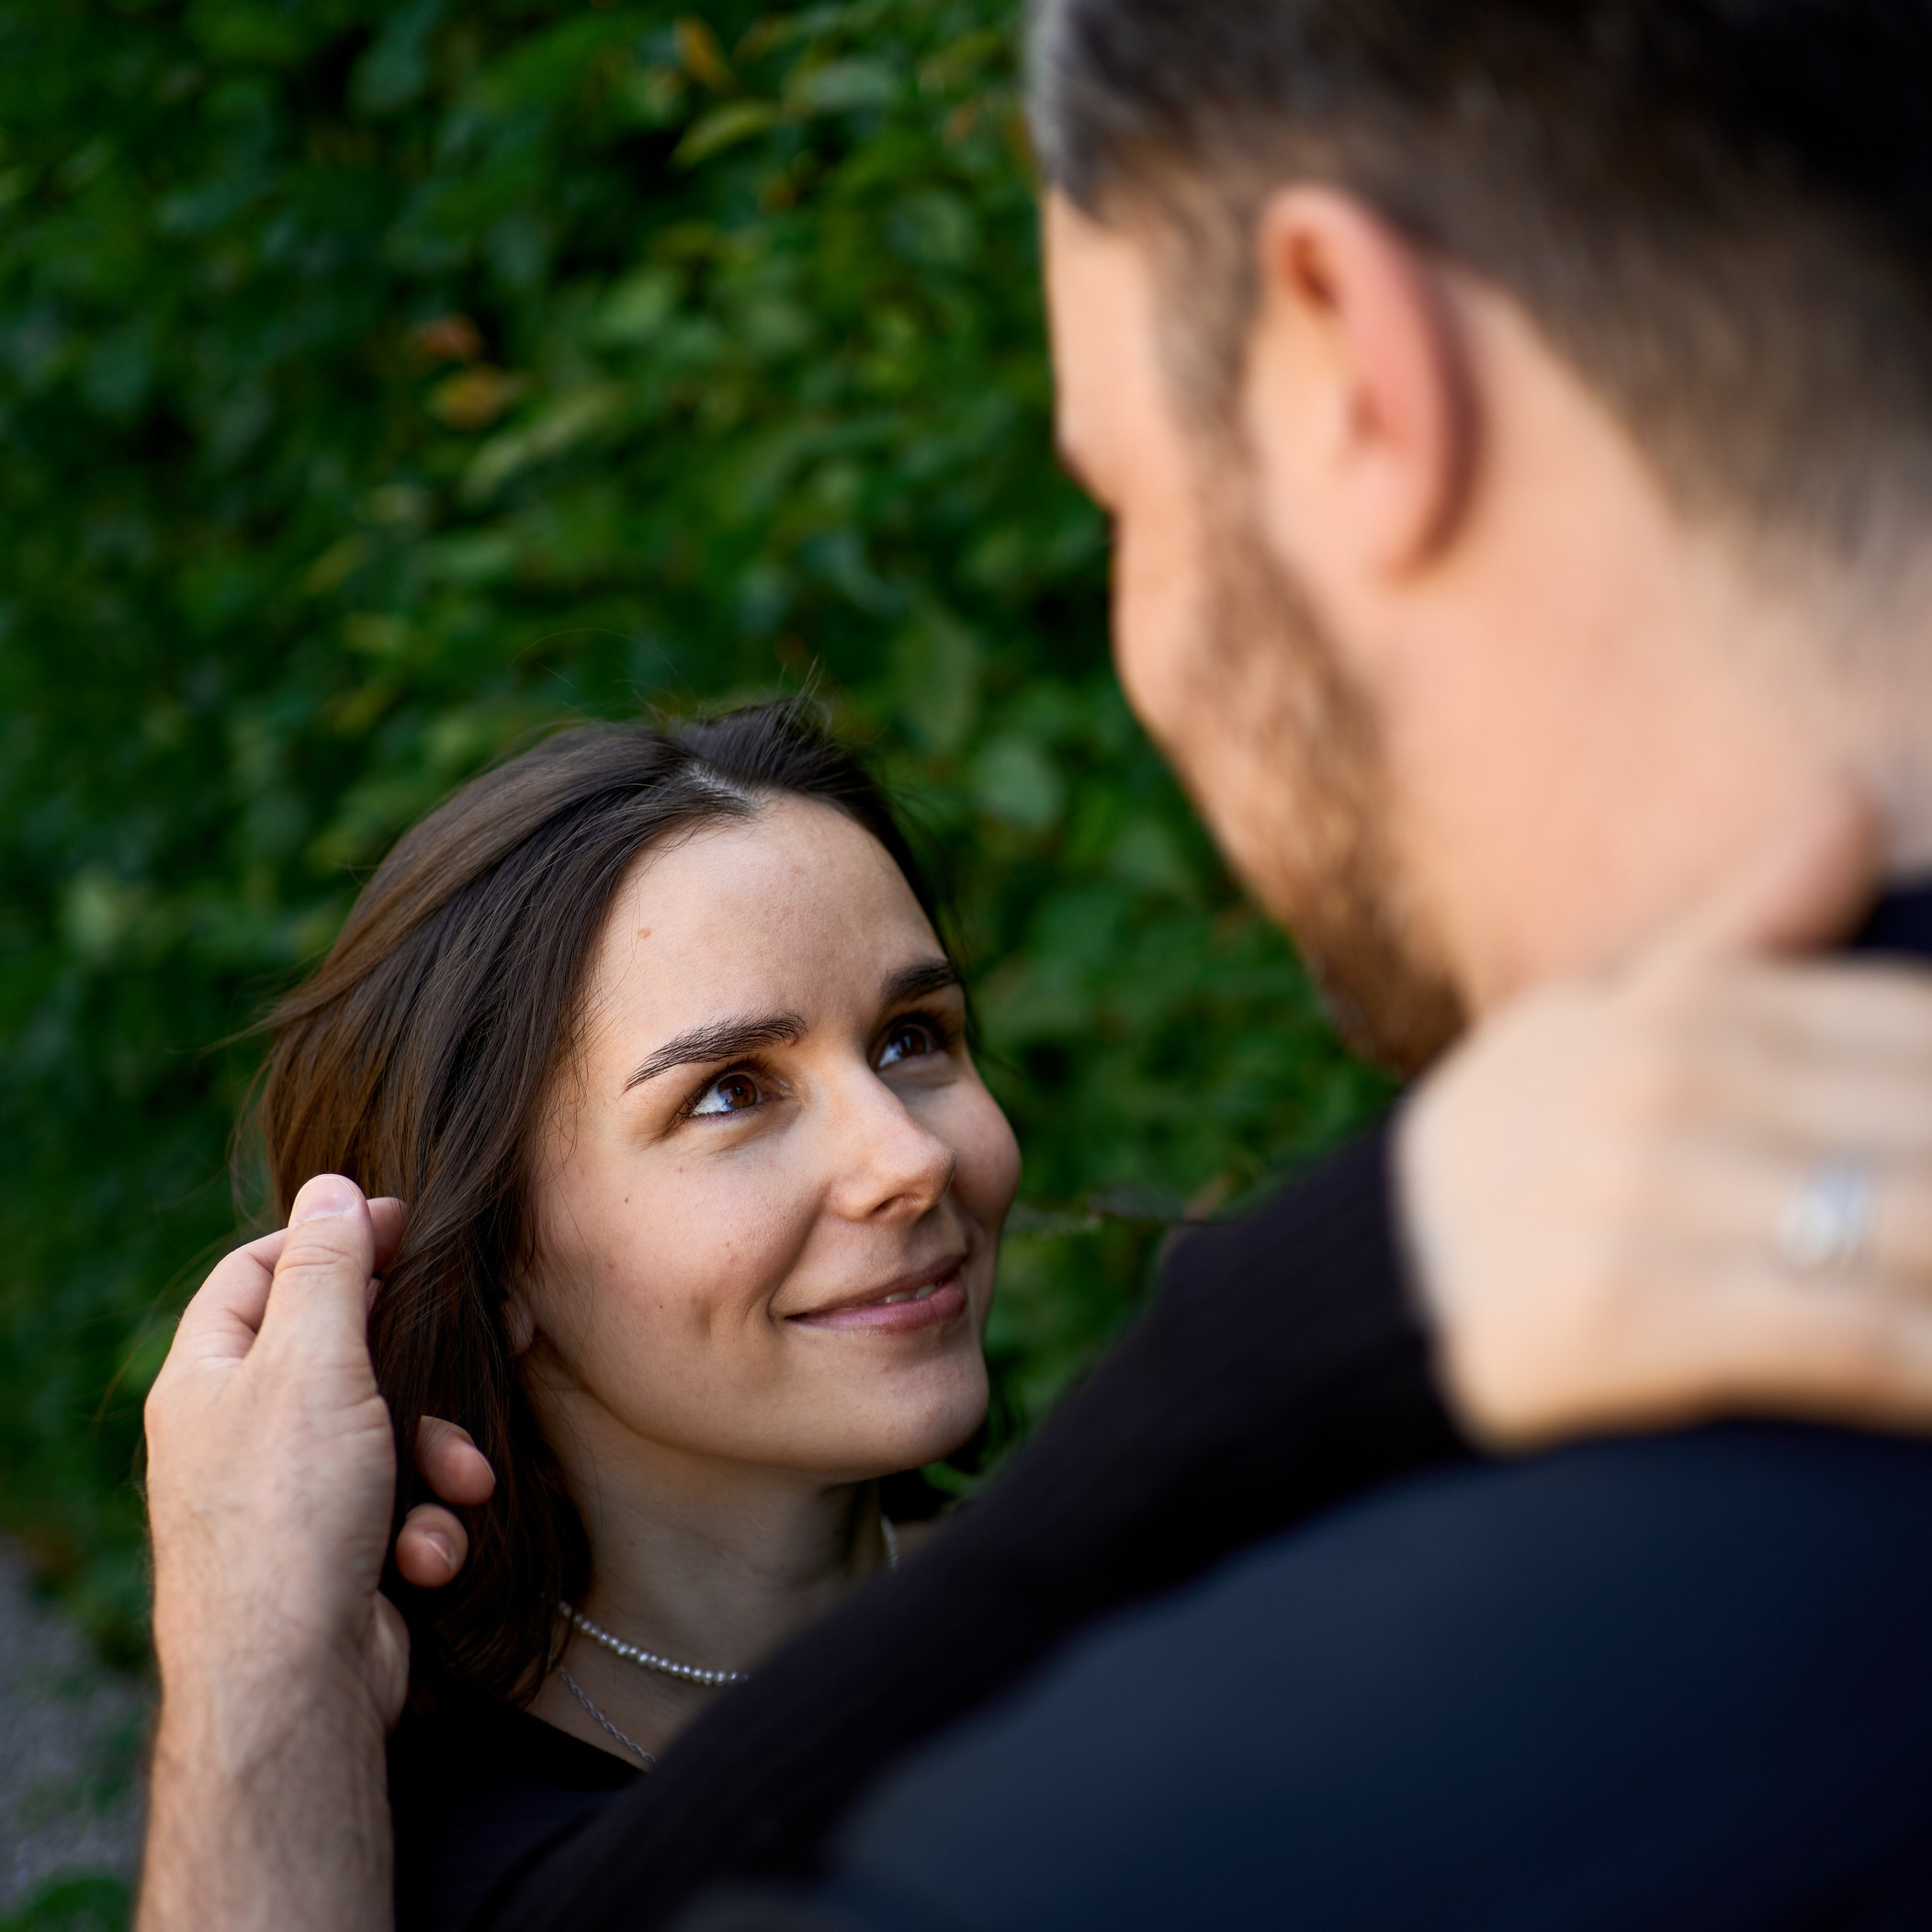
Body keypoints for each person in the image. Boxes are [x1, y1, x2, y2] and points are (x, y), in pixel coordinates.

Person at [133, 5, 1932, 1930]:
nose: (908, 1155)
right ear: (491, 1248)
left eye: (917, 1035)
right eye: (729, 1087)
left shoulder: (1220, 1671)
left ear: (1356, 365)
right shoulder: (397, 1822)